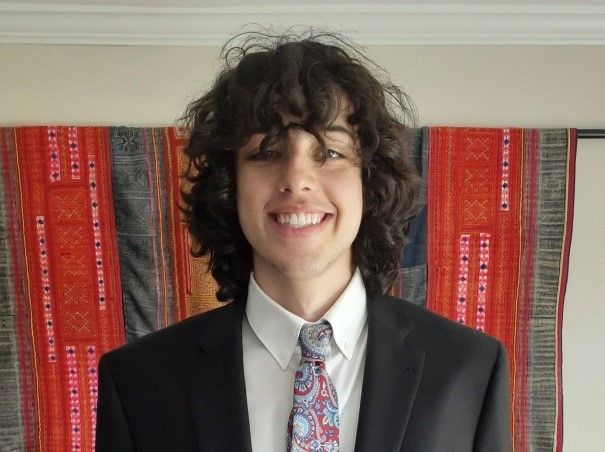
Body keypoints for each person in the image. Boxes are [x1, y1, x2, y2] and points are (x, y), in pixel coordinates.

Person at [96, 31, 511, 451]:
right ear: (229, 184)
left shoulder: (469, 369)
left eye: (330, 152)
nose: (296, 180)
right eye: (267, 151)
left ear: (369, 181)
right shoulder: (138, 382)